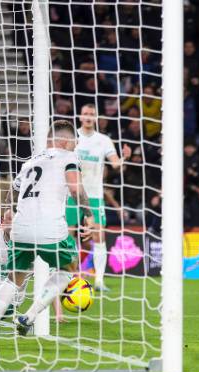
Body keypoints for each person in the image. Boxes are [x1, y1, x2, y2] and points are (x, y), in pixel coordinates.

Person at [0, 120, 94, 348]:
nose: (76, 146)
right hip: (50, 228)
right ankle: (29, 315)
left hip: (21, 228)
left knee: (13, 279)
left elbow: (11, 198)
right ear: (65, 140)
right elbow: (75, 187)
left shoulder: (29, 162)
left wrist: (20, 218)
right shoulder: (68, 158)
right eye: (74, 141)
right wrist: (88, 215)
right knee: (69, 267)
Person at [66, 104, 131, 292]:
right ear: (80, 116)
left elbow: (116, 164)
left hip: (94, 196)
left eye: (92, 114)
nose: (88, 117)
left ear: (96, 118)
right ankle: (70, 275)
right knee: (68, 235)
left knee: (99, 235)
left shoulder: (103, 140)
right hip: (72, 194)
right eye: (85, 114)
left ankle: (99, 281)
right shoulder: (72, 137)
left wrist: (125, 158)